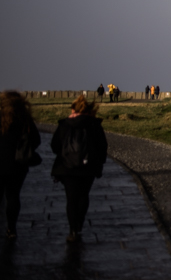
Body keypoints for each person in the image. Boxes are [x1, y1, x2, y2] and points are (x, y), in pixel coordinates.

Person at [51, 94, 108, 243]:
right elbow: (102, 146)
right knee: (84, 196)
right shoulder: (94, 124)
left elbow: (54, 146)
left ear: (72, 109)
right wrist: (99, 163)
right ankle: (80, 223)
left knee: (71, 199)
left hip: (67, 167)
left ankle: (72, 230)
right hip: (88, 167)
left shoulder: (64, 124)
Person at [0, 90, 41, 240]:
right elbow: (36, 139)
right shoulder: (24, 119)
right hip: (17, 164)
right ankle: (11, 228)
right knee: (13, 196)